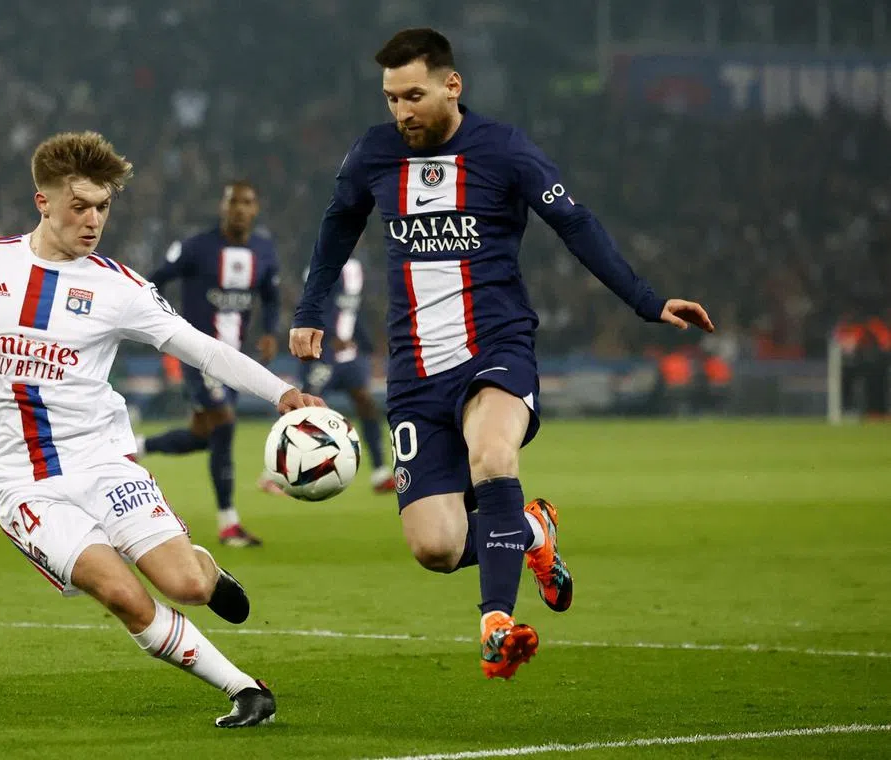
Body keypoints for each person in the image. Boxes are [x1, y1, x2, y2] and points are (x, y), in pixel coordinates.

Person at [0, 131, 324, 727]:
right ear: (42, 201)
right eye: (80, 206)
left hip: (102, 463)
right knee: (122, 594)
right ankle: (244, 690)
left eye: (102, 206)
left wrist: (281, 391)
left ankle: (205, 566)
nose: (93, 219)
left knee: (186, 586)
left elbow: (201, 348)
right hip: (25, 483)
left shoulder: (119, 287)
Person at [289, 29, 714, 680]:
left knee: (492, 455)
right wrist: (311, 307)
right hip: (413, 370)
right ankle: (532, 530)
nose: (401, 111)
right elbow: (338, 221)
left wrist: (646, 300)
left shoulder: (503, 149)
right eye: (391, 98)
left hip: (495, 347)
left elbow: (575, 223)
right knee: (435, 546)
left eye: (414, 95)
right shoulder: (374, 155)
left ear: (451, 85)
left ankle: (496, 623)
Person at [137, 181, 281, 547]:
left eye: (247, 202)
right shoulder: (196, 247)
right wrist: (163, 324)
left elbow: (272, 295)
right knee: (225, 424)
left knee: (202, 436)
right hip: (199, 355)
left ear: (256, 208)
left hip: (235, 358)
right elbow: (154, 281)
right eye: (233, 201)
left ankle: (136, 447)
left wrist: (268, 331)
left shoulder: (263, 250)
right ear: (222, 206)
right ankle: (229, 524)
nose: (239, 208)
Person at [259, 255, 395, 495]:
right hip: (321, 352)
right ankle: (272, 474)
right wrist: (331, 336)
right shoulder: (319, 265)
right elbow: (313, 304)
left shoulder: (358, 268)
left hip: (350, 354)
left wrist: (367, 347)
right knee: (302, 408)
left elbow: (354, 310)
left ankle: (380, 473)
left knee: (366, 403)